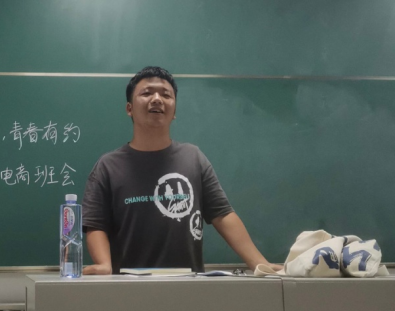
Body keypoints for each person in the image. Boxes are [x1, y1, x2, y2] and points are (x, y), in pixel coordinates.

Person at [82, 66, 282, 275]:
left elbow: (223, 215)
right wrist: (104, 264)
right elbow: (96, 224)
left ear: (174, 111)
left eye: (166, 95)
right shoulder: (108, 166)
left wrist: (259, 263)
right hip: (128, 285)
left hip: (188, 284)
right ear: (129, 108)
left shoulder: (193, 158)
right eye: (147, 93)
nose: (157, 99)